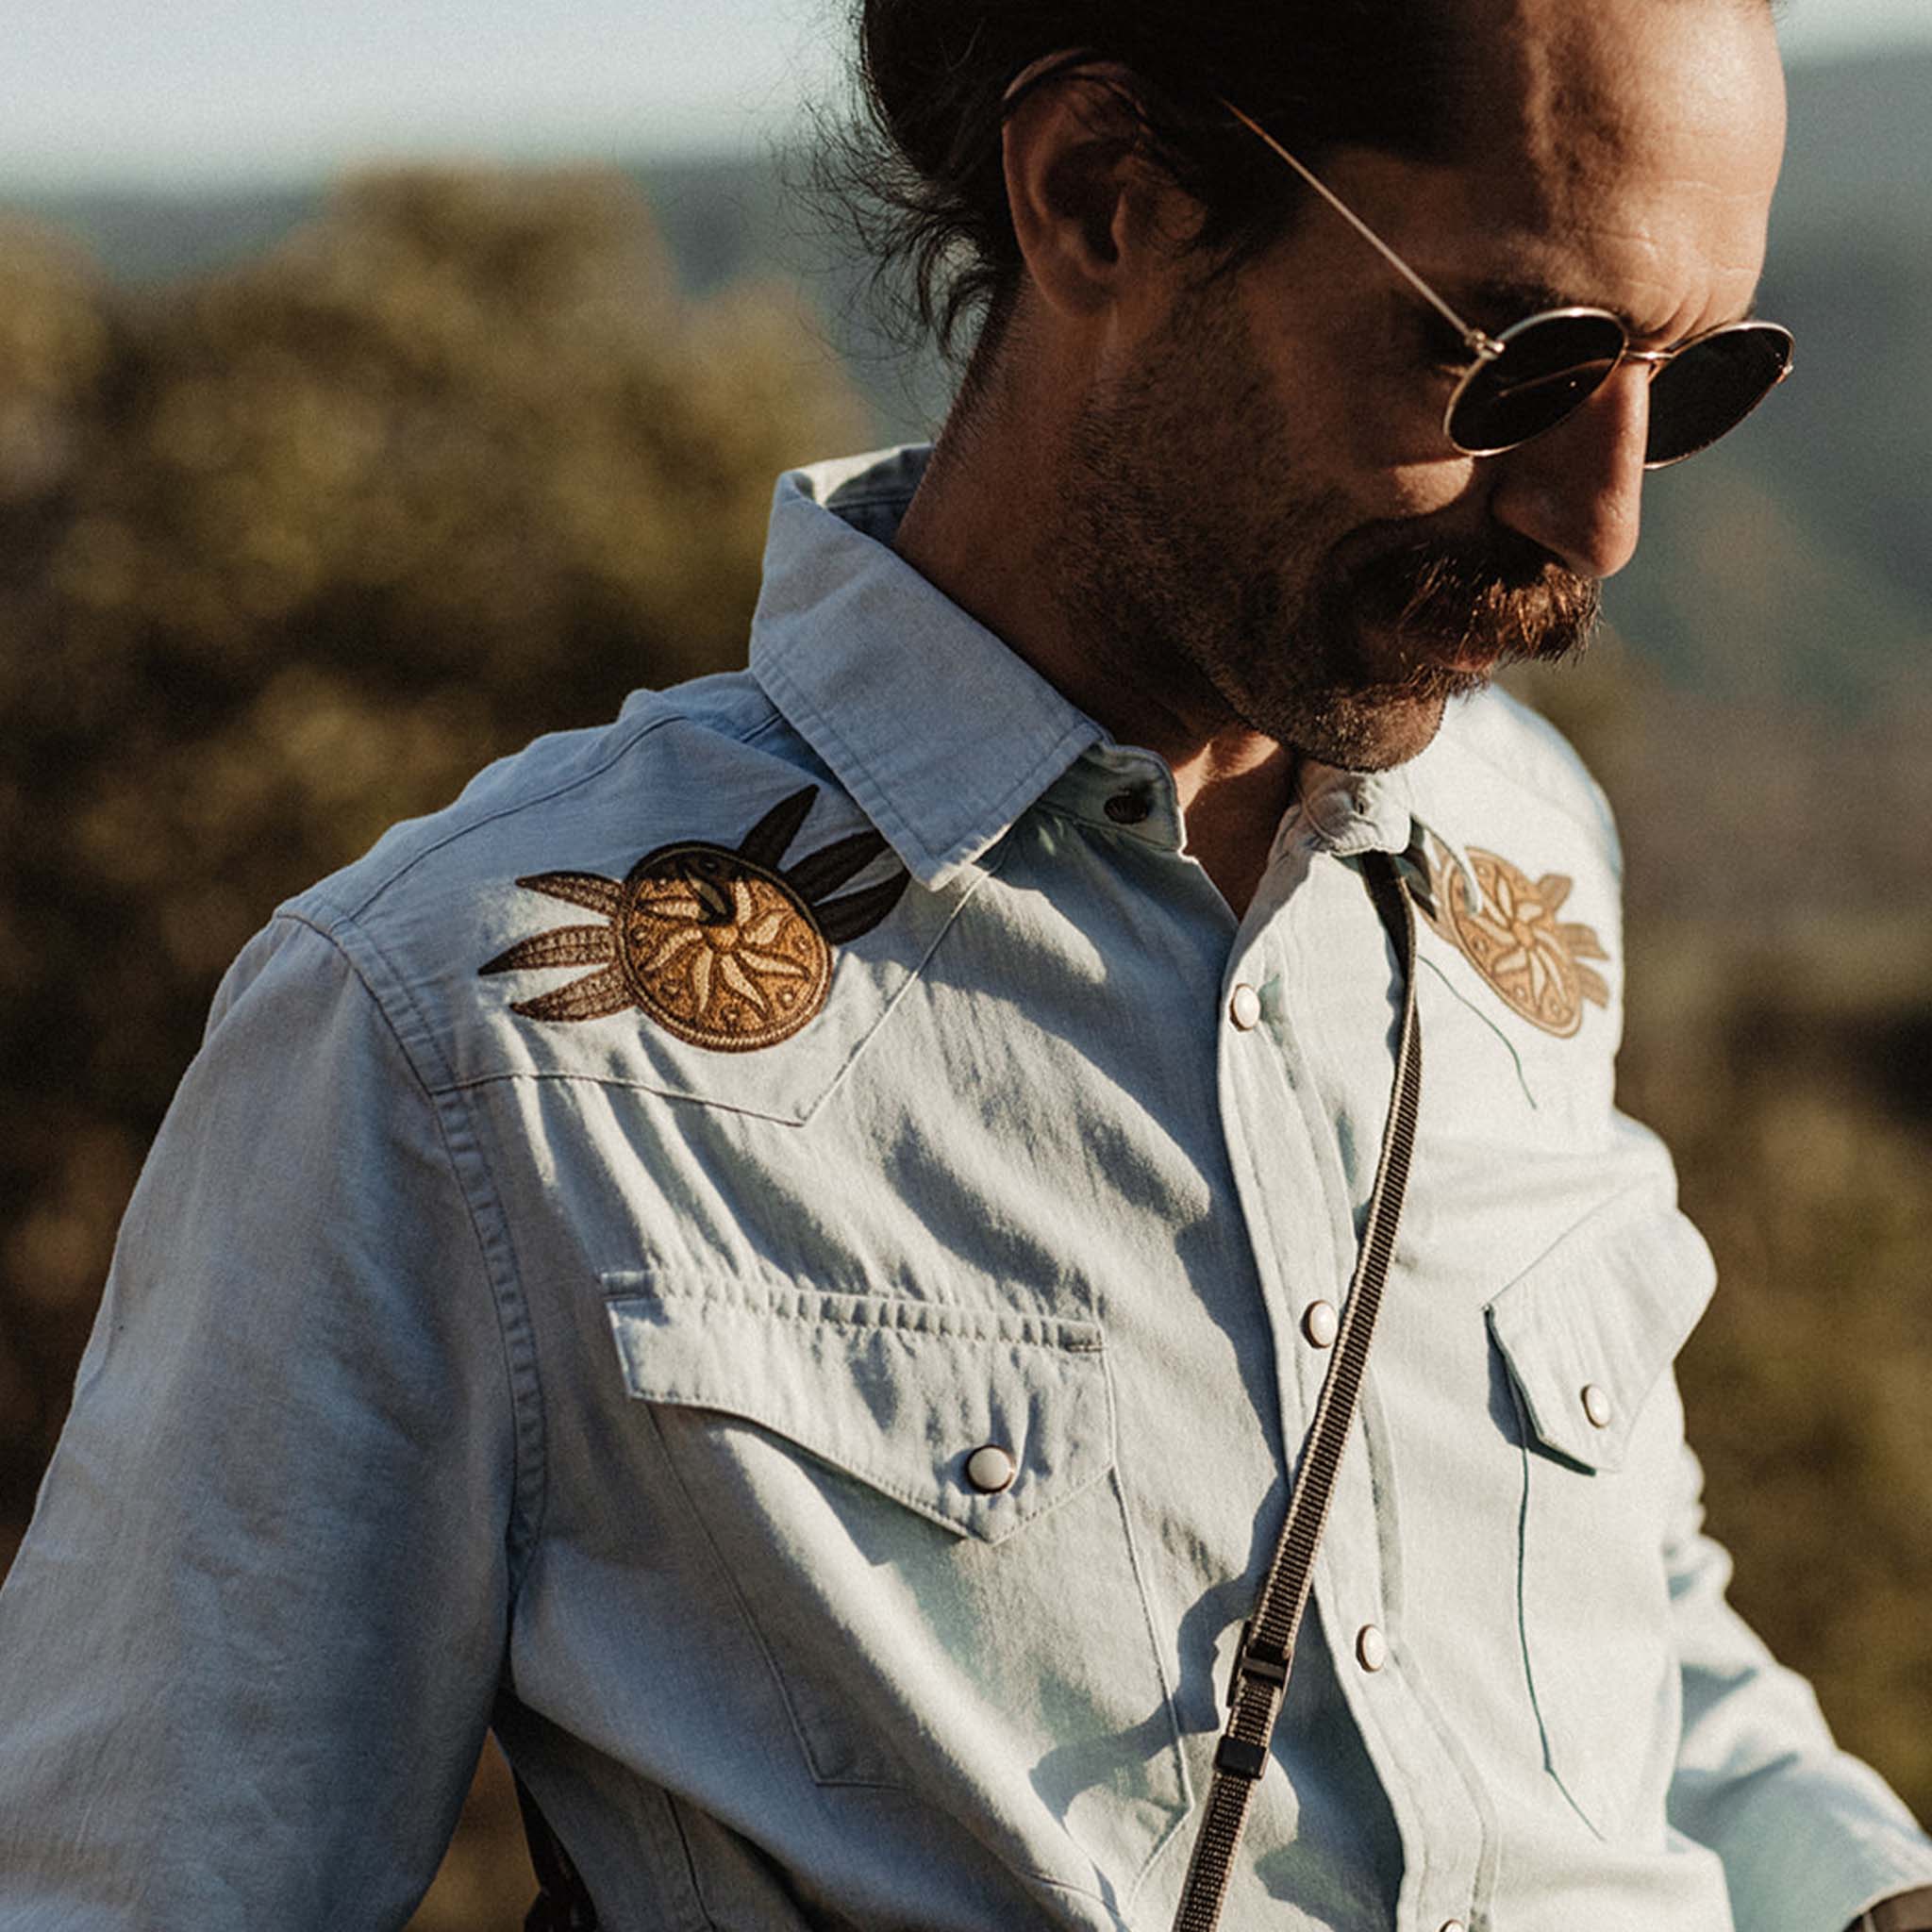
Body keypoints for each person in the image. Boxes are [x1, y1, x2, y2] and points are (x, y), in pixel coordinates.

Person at [0, 0, 1927, 1926]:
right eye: (1523, 359)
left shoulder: (1521, 840)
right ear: (1099, 195)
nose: (1601, 516)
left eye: (1691, 379)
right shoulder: (456, 1030)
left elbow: (1602, 1624)